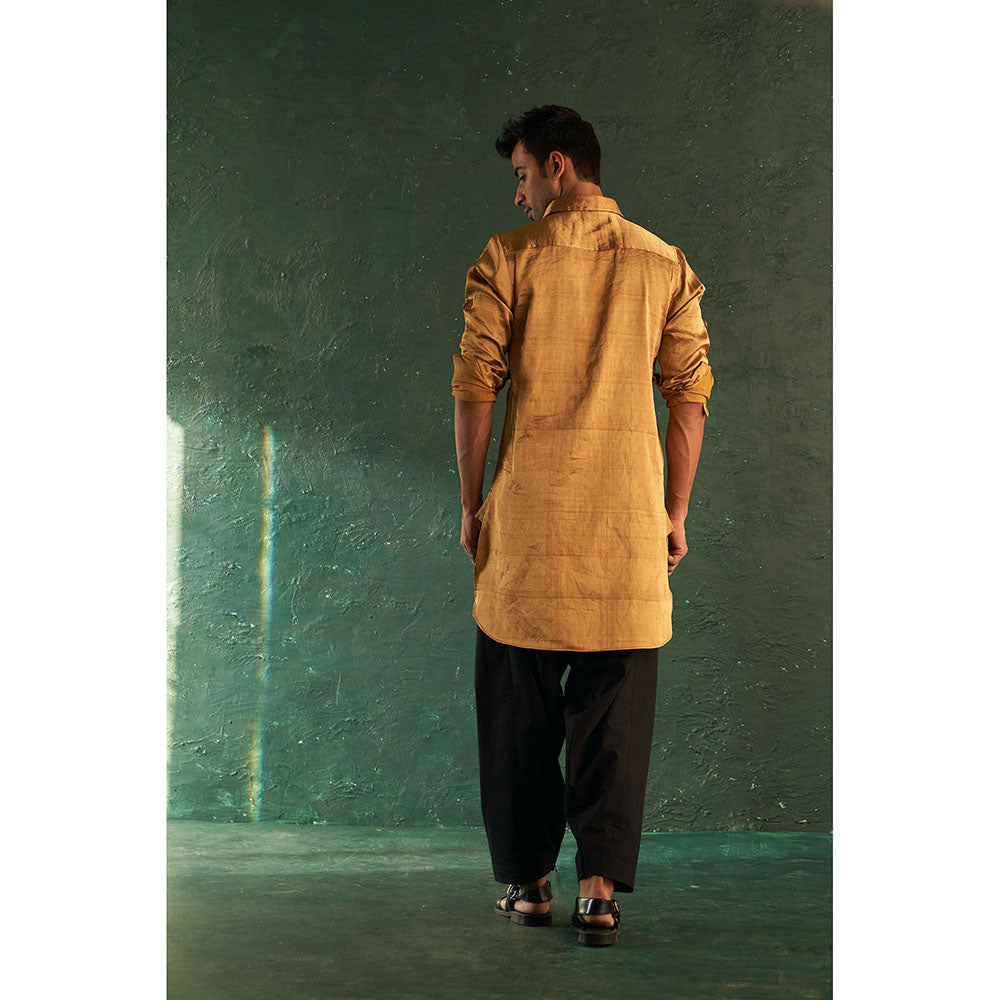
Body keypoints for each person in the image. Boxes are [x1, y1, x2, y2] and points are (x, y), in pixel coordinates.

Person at [451, 105, 714, 947]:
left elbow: (476, 385)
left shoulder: (507, 259)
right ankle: (599, 896)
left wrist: (472, 503)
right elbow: (690, 395)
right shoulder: (664, 263)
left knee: (517, 715)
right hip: (625, 532)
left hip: (528, 530)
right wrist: (674, 512)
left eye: (523, 174)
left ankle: (530, 886)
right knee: (614, 722)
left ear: (559, 166)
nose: (520, 194)